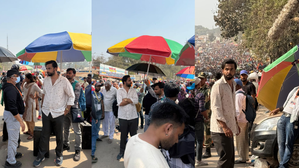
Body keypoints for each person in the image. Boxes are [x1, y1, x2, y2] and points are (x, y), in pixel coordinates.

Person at [33, 60, 75, 167]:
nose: (47, 70)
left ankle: (59, 155)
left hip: (59, 113)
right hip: (47, 112)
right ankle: (41, 155)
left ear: (55, 68)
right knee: (44, 135)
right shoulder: (46, 80)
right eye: (46, 68)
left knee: (59, 136)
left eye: (49, 68)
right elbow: (44, 93)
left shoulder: (64, 81)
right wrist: (42, 106)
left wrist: (67, 109)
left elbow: (71, 96)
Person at [124, 102, 187, 168]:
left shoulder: (133, 139)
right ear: (168, 129)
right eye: (178, 135)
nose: (177, 141)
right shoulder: (155, 164)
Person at [210, 59, 240, 168]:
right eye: (226, 69)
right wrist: (224, 127)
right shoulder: (218, 85)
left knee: (230, 158)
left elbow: (232, 107)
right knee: (225, 159)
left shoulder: (234, 84)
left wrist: (235, 124)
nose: (229, 72)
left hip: (229, 127)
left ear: (235, 71)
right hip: (220, 129)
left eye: (231, 69)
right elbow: (216, 108)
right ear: (223, 70)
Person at [270, 86, 299, 168]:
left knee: (288, 144)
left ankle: (282, 166)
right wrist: (278, 109)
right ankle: (283, 165)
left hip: (293, 120)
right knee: (281, 143)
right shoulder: (294, 90)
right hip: (283, 117)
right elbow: (288, 103)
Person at [3, 69, 25, 168]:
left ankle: (13, 153)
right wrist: (21, 121)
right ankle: (11, 161)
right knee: (13, 139)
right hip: (13, 117)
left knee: (14, 138)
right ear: (12, 77)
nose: (18, 78)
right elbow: (12, 106)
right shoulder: (10, 89)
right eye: (16, 76)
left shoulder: (12, 86)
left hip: (13, 116)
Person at [116, 75, 138, 160]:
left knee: (133, 135)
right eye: (129, 80)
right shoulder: (119, 91)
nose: (131, 82)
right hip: (123, 116)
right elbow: (119, 103)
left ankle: (134, 152)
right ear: (124, 82)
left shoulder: (133, 90)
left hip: (133, 116)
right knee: (123, 135)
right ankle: (122, 151)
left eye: (131, 80)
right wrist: (130, 100)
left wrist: (126, 100)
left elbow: (136, 101)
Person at [63, 68, 82, 161]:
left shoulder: (77, 84)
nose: (67, 74)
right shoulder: (64, 83)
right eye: (67, 73)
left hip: (73, 110)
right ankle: (65, 144)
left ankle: (77, 149)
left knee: (76, 131)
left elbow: (75, 98)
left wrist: (67, 108)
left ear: (74, 75)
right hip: (64, 110)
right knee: (65, 129)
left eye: (70, 73)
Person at [22, 73, 43, 140]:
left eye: (25, 78)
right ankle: (29, 130)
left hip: (31, 104)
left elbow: (42, 92)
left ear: (28, 79)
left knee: (31, 119)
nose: (24, 79)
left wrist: (36, 97)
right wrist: (22, 83)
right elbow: (22, 90)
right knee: (26, 118)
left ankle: (32, 133)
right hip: (26, 103)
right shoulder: (25, 84)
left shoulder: (34, 85)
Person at [234, 79, 249, 164]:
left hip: (240, 120)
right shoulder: (242, 93)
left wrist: (236, 122)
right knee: (244, 139)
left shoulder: (238, 95)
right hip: (244, 119)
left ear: (238, 85)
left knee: (240, 140)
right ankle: (245, 156)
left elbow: (237, 110)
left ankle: (242, 157)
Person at [198, 72, 212, 159]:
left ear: (205, 79)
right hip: (199, 114)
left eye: (202, 78)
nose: (200, 80)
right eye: (199, 78)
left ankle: (208, 150)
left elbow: (207, 100)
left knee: (207, 132)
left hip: (206, 113)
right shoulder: (197, 89)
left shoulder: (208, 90)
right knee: (200, 132)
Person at [91, 82, 105, 163]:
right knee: (93, 130)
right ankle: (92, 152)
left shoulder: (101, 94)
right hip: (93, 114)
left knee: (98, 127)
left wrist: (103, 113)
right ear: (95, 86)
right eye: (97, 86)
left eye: (99, 86)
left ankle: (96, 137)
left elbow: (102, 103)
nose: (98, 87)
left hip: (99, 113)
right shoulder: (92, 93)